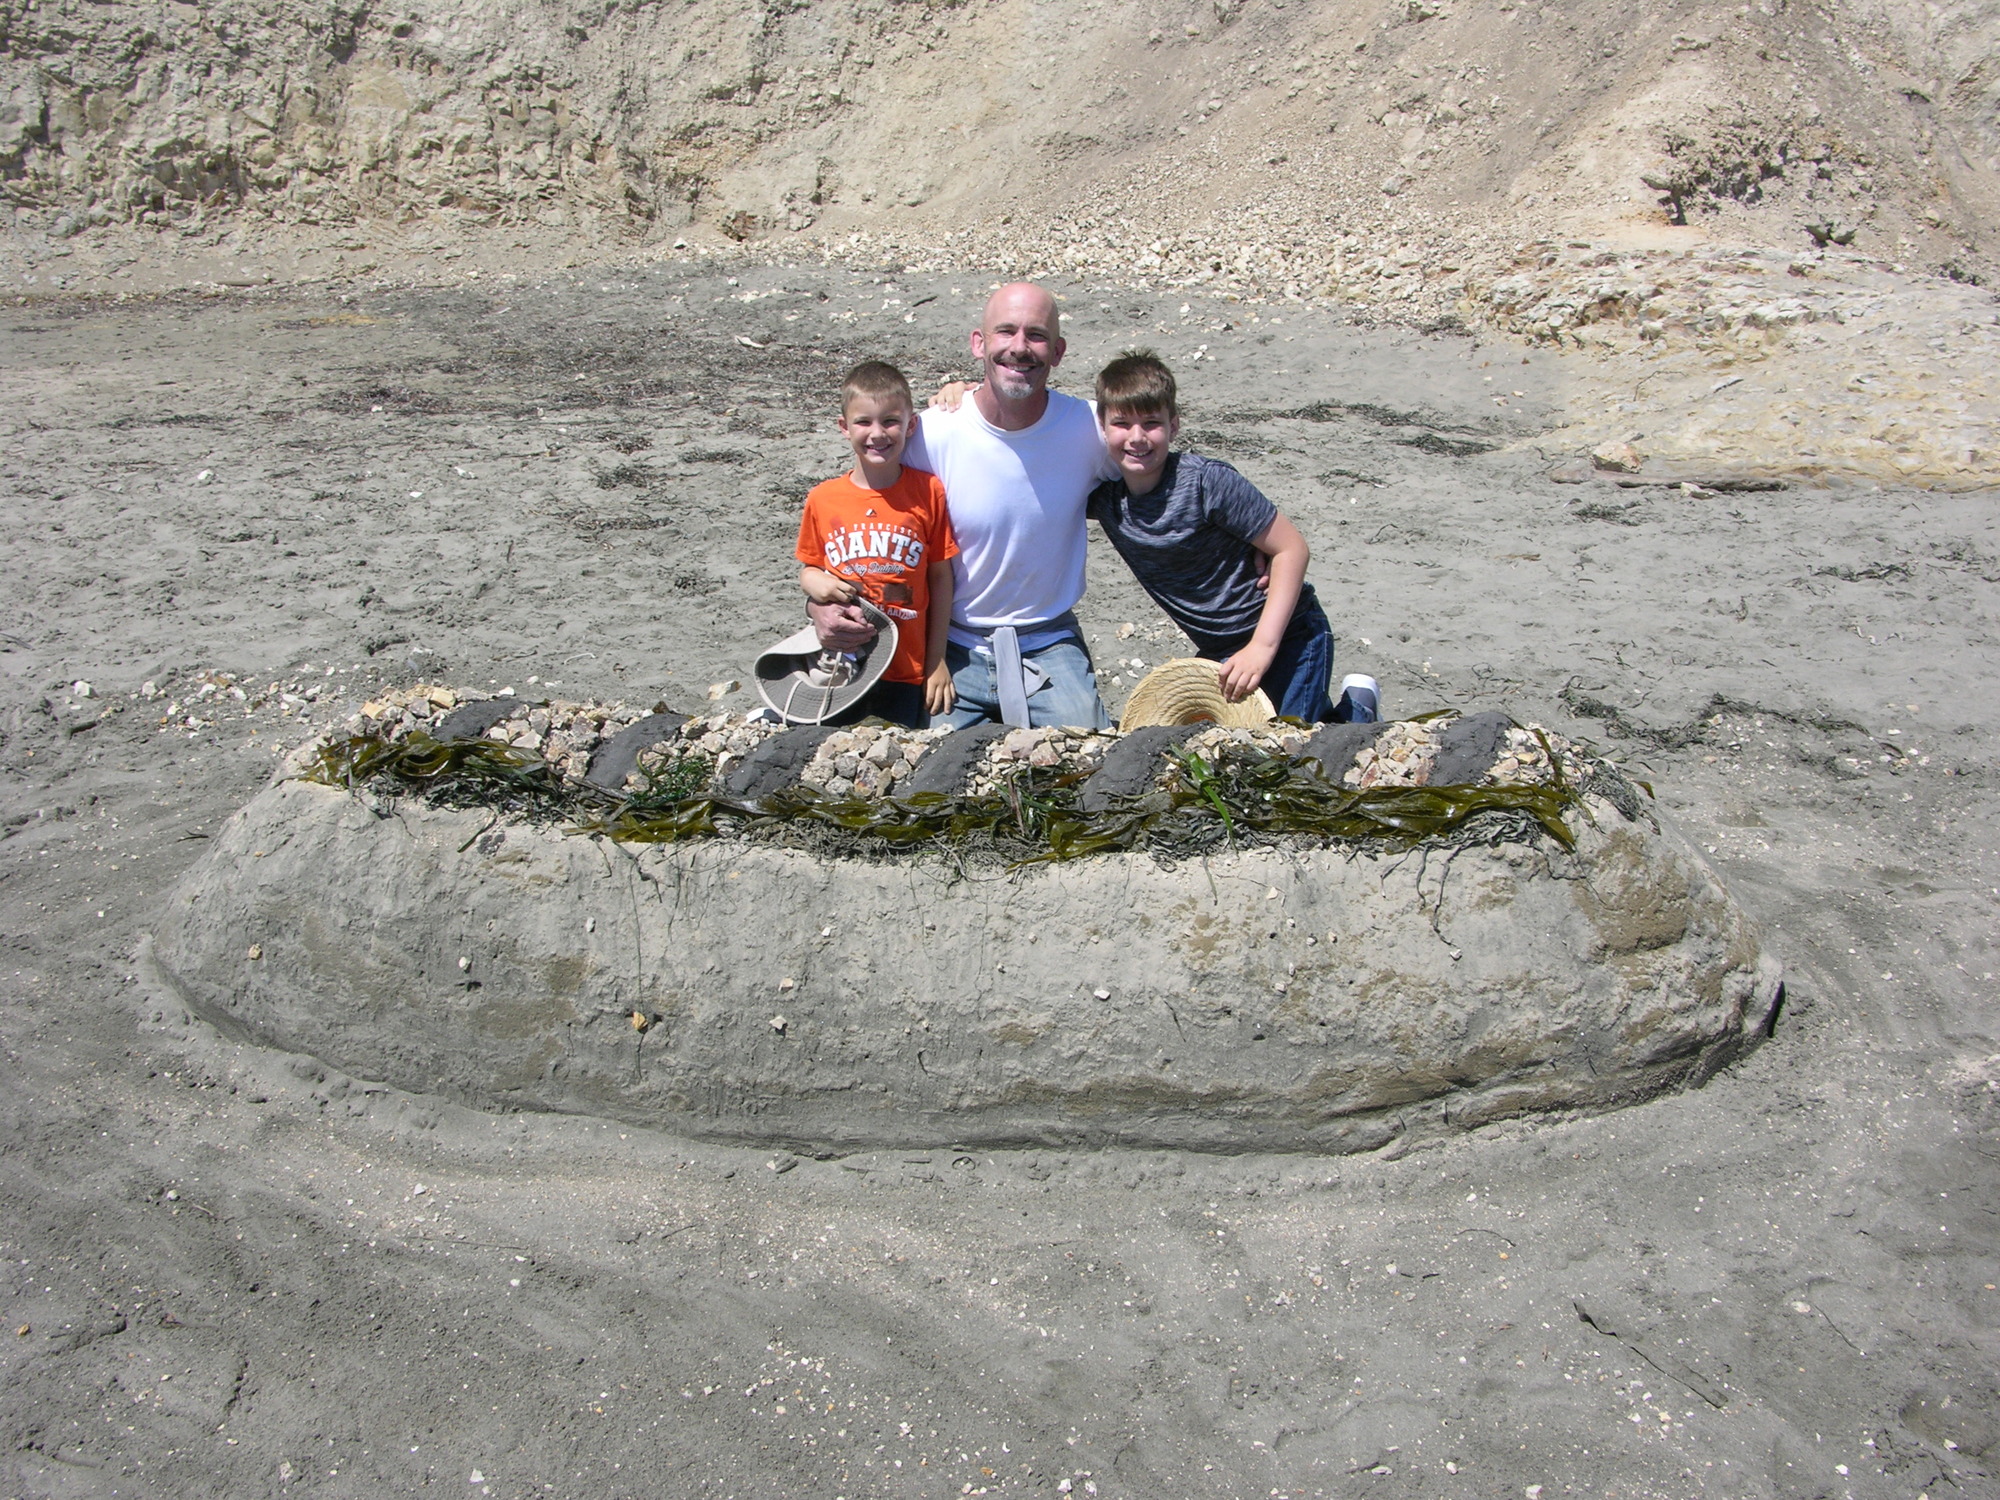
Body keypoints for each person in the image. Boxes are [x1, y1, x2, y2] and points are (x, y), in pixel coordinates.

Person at [809, 283, 1116, 729]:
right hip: (950, 646)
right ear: (979, 343)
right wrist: (819, 607)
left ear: (1058, 350)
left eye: (1036, 336)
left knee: (1091, 759)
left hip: (1049, 641)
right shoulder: (930, 434)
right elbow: (858, 527)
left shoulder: (1090, 429)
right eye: (1005, 332)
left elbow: (1167, 483)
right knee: (923, 777)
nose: (1019, 348)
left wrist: (1253, 544)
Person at [1088, 350, 1340, 722]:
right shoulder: (1106, 500)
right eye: (1122, 423)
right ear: (1102, 426)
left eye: (1152, 423)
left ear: (1174, 425)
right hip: (1217, 645)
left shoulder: (1206, 483)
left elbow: (1291, 549)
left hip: (1288, 635)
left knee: (1292, 744)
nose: (1137, 437)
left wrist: (1262, 647)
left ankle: (1360, 706)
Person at [792, 360, 957, 728]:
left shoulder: (928, 491)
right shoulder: (823, 498)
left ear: (911, 425)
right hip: (843, 661)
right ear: (844, 427)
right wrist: (812, 582)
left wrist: (936, 660)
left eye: (890, 421)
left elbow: (940, 578)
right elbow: (810, 568)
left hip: (907, 667)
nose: (877, 433)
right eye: (864, 421)